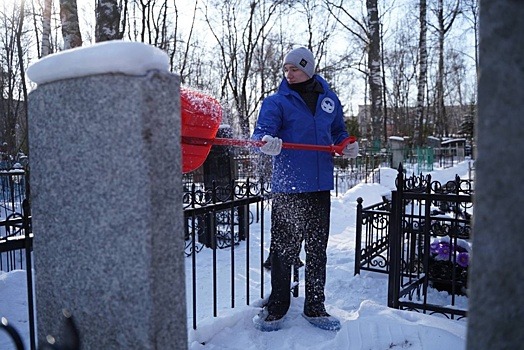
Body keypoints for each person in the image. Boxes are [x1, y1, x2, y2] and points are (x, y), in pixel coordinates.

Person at [251, 47, 359, 332]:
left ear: (308, 69)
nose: (289, 74)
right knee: (283, 249)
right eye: (286, 69)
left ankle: (315, 306)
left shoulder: (329, 101)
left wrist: (347, 144)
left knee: (316, 249)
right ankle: (278, 305)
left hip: (320, 184)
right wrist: (267, 141)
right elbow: (261, 132)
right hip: (289, 187)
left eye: (295, 69)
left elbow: (338, 132)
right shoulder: (277, 102)